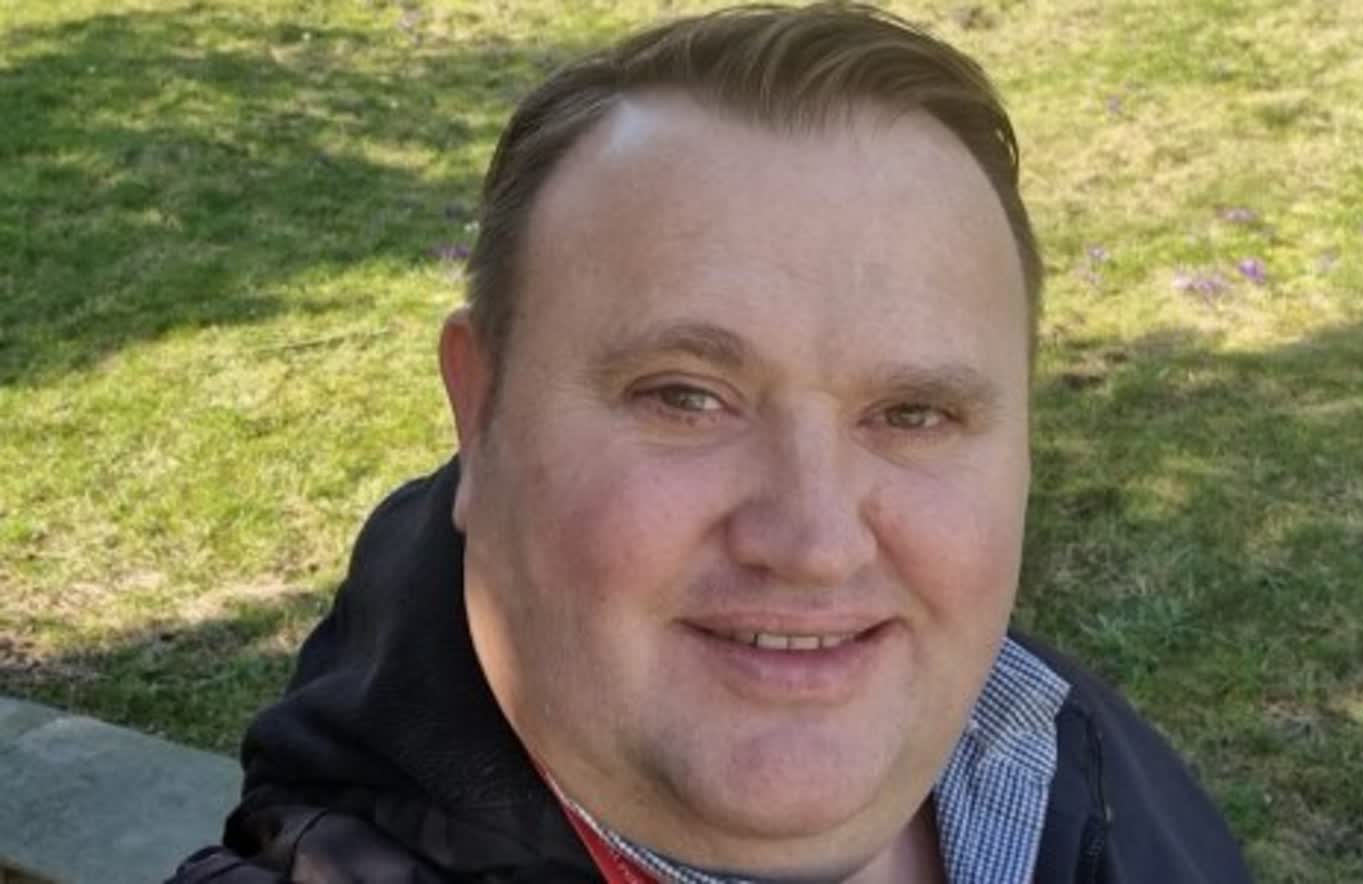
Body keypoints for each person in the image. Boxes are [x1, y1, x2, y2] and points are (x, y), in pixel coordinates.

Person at [170, 4, 1251, 882]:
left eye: (914, 412)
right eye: (686, 396)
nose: (815, 544)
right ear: (478, 413)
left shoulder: (1064, 747)